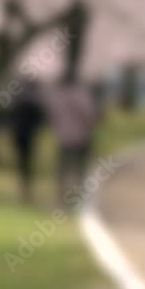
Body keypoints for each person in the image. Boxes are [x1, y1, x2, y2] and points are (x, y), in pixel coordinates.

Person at [46, 77, 100, 205]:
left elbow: (51, 117)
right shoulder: (83, 96)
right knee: (79, 167)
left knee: (63, 168)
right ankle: (77, 195)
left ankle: (62, 195)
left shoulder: (58, 97)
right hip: (80, 136)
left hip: (64, 137)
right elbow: (90, 115)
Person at [8, 80, 46, 203]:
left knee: (23, 161)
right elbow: (40, 121)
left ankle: (24, 185)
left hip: (20, 135)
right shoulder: (32, 105)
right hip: (28, 136)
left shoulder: (19, 104)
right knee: (26, 161)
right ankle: (26, 185)